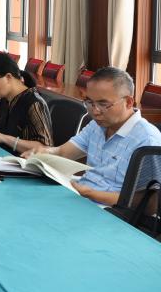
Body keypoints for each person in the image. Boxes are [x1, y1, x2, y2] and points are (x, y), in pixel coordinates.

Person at [24, 67, 161, 205]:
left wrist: (91, 193)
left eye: (103, 104)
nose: (95, 112)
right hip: (82, 196)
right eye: (90, 102)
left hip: (111, 210)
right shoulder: (97, 125)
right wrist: (44, 153)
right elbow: (63, 152)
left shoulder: (147, 140)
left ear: (128, 102)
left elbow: (150, 204)